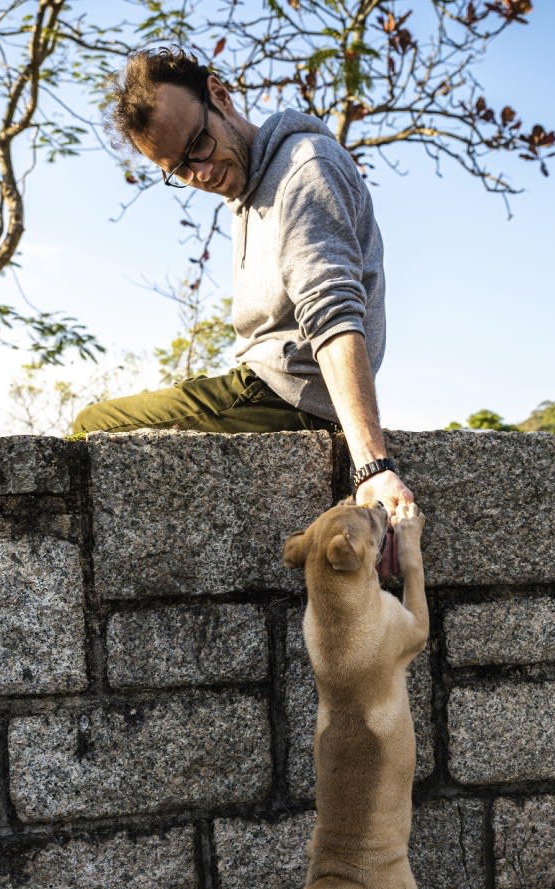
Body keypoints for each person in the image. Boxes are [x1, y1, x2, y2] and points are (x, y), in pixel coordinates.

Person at [74, 47, 413, 556]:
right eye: (179, 170)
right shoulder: (249, 190)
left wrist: (371, 465)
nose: (201, 173)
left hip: (284, 398)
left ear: (219, 95)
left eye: (199, 146)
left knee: (90, 427)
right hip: (270, 390)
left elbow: (334, 312)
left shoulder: (303, 170)